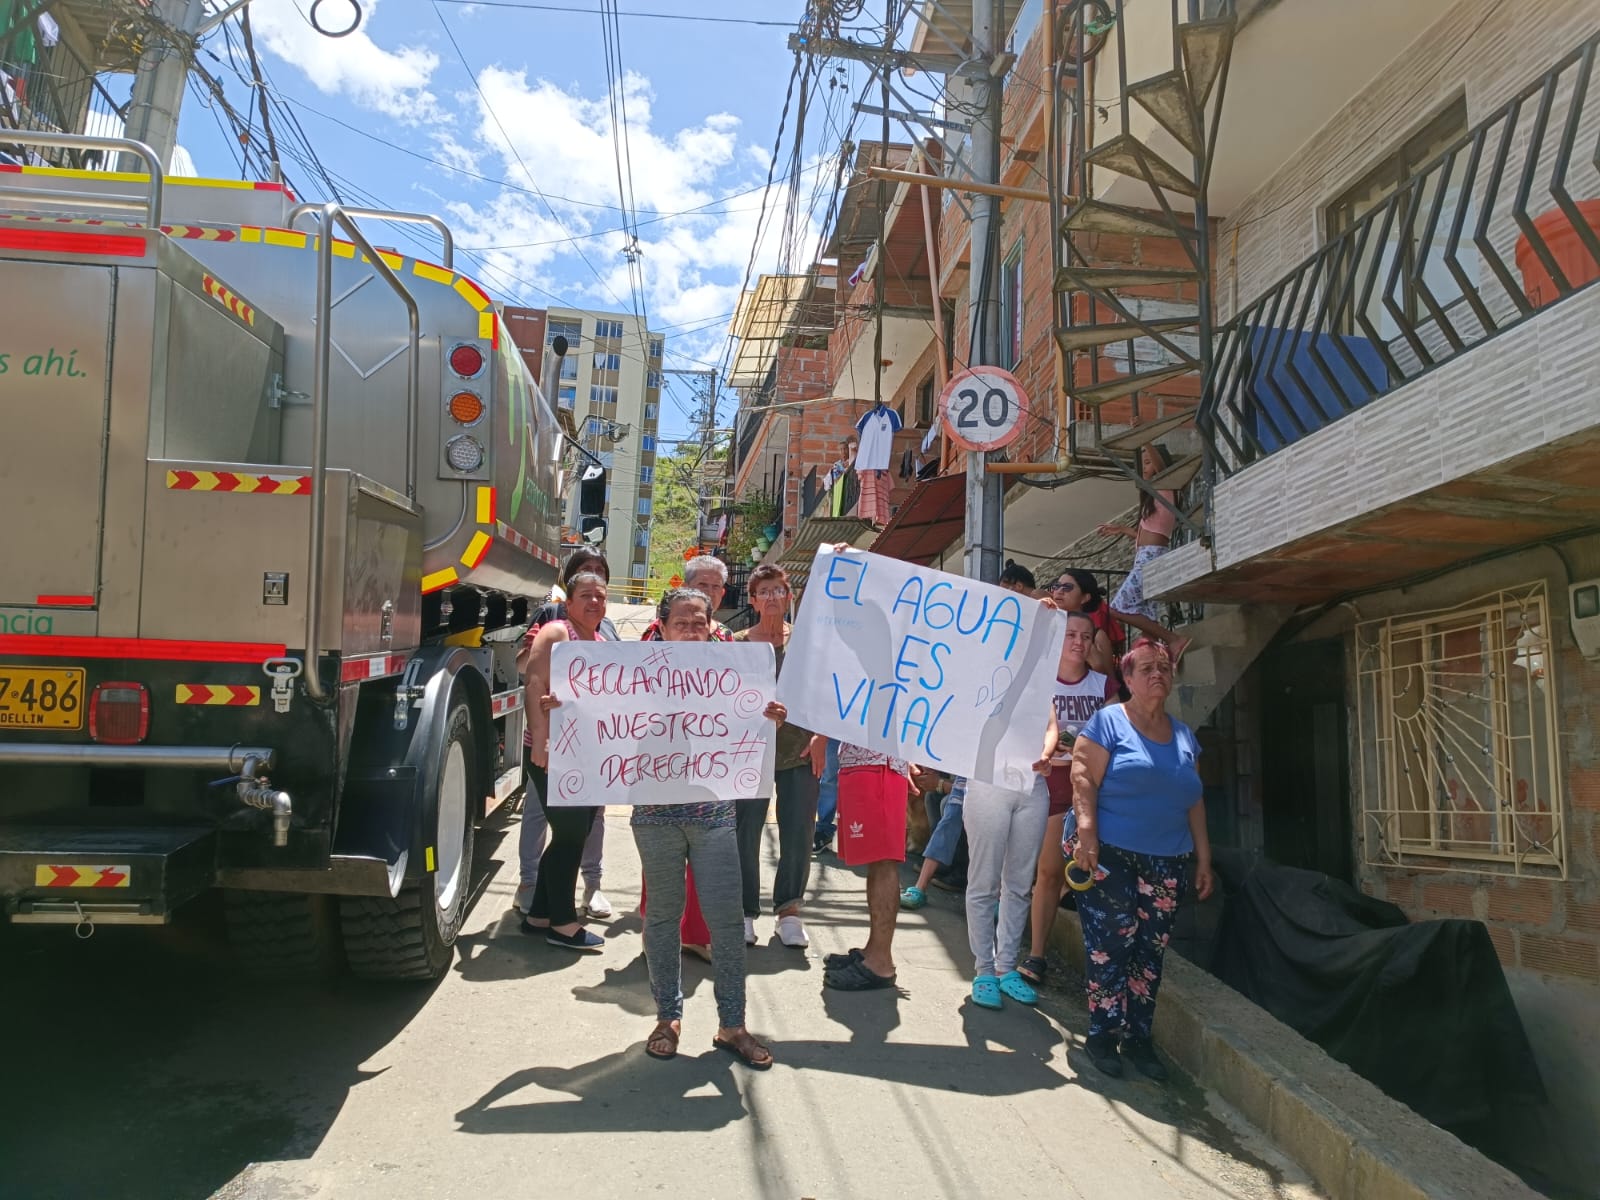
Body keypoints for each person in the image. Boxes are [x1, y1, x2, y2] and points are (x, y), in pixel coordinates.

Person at [626, 587, 779, 1068]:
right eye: (682, 623)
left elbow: (749, 728)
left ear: (712, 628)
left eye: (700, 624)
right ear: (663, 627)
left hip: (713, 814)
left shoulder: (733, 675)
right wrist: (566, 707)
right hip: (655, 815)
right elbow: (601, 721)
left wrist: (769, 718)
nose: (692, 632)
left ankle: (733, 1024)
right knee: (662, 918)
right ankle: (667, 1018)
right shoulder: (632, 675)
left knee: (727, 922)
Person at [1068, 638, 1215, 1080]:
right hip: (1109, 852)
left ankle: (1138, 1038)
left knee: (1151, 950)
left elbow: (1193, 800)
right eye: (1147, 668)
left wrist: (1204, 858)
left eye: (1164, 668)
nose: (1157, 674)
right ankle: (1102, 1033)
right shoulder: (1108, 721)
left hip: (1167, 860)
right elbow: (1082, 776)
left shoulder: (1184, 736)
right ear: (1127, 678)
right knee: (1111, 944)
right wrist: (1086, 833)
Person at [516, 547, 616, 920]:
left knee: (577, 830)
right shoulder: (557, 631)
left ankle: (540, 915)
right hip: (550, 753)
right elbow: (534, 684)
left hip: (585, 755)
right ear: (569, 602)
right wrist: (541, 742)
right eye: (586, 595)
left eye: (600, 596)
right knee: (571, 833)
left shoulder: (602, 644)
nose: (594, 602)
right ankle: (563, 922)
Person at [1018, 611, 1118, 986]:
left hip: (1092, 787)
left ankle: (1101, 968)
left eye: (1086, 636)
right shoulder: (1038, 682)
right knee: (1047, 871)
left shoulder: (1103, 686)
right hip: (1049, 784)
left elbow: (1116, 739)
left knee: (1091, 874)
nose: (1078, 642)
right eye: (1070, 634)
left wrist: (1080, 749)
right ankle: (1037, 955)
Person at [734, 564, 823, 949]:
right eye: (764, 591)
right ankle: (744, 911)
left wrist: (821, 737)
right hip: (748, 752)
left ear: (789, 597)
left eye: (778, 590)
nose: (772, 597)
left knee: (799, 829)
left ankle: (789, 911)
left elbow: (826, 691)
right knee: (745, 829)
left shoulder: (806, 643)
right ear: (753, 600)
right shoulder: (738, 644)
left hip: (800, 750)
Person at [959, 707, 1058, 1010]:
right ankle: (984, 970)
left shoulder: (1039, 683)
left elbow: (1051, 724)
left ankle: (1006, 968)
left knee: (1018, 884)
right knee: (984, 882)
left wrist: (1046, 753)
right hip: (987, 781)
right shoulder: (980, 680)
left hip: (1033, 787)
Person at [820, 738, 912, 991]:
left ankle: (880, 961)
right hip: (864, 760)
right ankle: (873, 950)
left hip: (879, 763)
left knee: (884, 860)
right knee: (876, 859)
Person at [1098, 445, 1192, 663]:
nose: (1144, 467)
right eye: (1142, 463)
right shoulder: (1153, 497)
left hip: (1151, 557)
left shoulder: (1166, 488)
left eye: (1148, 462)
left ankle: (1174, 639)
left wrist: (1145, 439)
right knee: (1147, 620)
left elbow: (1161, 467)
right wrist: (1123, 530)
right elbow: (1150, 532)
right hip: (1146, 555)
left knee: (1117, 608)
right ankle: (1158, 659)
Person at [899, 769, 961, 909]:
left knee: (950, 806)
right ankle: (940, 866)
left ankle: (960, 872)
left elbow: (966, 791)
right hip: (960, 784)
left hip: (980, 793)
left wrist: (940, 783)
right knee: (933, 796)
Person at [1045, 569, 1121, 677]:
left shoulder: (1097, 636)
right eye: (1056, 586)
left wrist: (1098, 667)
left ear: (1085, 598)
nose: (1059, 591)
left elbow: (1110, 682)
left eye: (1067, 587)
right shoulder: (1046, 627)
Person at [639, 555, 734, 642]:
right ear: (685, 588)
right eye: (702, 585)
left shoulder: (725, 635)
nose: (710, 592)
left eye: (716, 586)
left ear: (722, 592)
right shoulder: (658, 631)